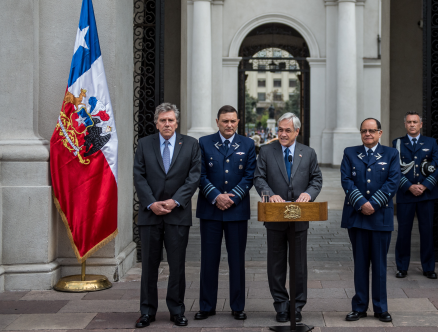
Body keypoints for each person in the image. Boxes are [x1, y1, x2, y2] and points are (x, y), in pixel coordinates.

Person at [133, 103, 201, 328]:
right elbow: (139, 175)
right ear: (156, 122)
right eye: (163, 120)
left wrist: (175, 201)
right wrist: (151, 203)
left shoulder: (190, 144)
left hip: (177, 214)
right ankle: (147, 311)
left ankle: (177, 310)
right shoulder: (144, 144)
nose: (167, 124)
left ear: (177, 122)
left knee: (177, 266)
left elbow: (193, 177)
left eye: (171, 120)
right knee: (149, 266)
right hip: (150, 214)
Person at [254, 113, 322, 323]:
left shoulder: (308, 153)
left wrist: (309, 194)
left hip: (300, 216)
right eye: (280, 130)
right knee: (276, 264)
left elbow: (316, 179)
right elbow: (259, 177)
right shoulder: (266, 151)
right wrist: (269, 194)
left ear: (297, 132)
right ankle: (281, 306)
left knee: (299, 264)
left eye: (287, 130)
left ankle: (297, 305)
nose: (282, 134)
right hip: (275, 216)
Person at [194, 106, 257, 321]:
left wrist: (232, 198)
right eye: (224, 121)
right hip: (210, 210)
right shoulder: (204, 142)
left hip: (237, 211)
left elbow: (249, 177)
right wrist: (216, 196)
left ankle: (237, 305)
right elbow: (200, 175)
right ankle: (206, 305)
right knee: (208, 261)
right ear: (217, 122)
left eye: (232, 121)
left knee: (237, 261)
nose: (229, 125)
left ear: (238, 121)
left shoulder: (248, 144)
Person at [340, 118, 400, 323]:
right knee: (360, 264)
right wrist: (361, 203)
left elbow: (393, 182)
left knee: (380, 265)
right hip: (357, 217)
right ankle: (359, 307)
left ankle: (381, 308)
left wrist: (373, 204)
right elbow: (346, 180)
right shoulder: (350, 152)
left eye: (372, 131)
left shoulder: (391, 154)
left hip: (380, 217)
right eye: (364, 131)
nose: (367, 134)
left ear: (380, 133)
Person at [393, 111, 438, 280]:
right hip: (406, 195)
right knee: (403, 233)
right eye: (409, 122)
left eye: (415, 122)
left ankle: (428, 268)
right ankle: (402, 267)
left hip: (426, 195)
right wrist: (408, 186)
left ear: (420, 124)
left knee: (427, 232)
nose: (412, 124)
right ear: (405, 125)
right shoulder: (398, 143)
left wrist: (424, 185)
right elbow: (394, 170)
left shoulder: (431, 142)